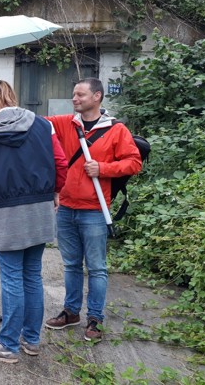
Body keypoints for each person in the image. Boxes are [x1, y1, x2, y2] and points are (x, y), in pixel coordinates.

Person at [0, 80, 68, 363]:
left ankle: (8, 345)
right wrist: (56, 191)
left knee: (12, 277)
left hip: (7, 211)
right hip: (40, 206)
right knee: (32, 275)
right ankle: (31, 340)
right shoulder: (43, 124)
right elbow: (60, 163)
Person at [44, 77, 142, 341]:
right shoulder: (65, 123)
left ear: (97, 96)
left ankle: (95, 319)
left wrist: (104, 168)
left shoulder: (115, 130)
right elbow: (35, 124)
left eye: (80, 95)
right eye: (74, 94)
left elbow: (134, 162)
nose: (74, 99)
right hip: (65, 208)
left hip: (95, 210)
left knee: (97, 268)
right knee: (72, 265)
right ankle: (71, 312)